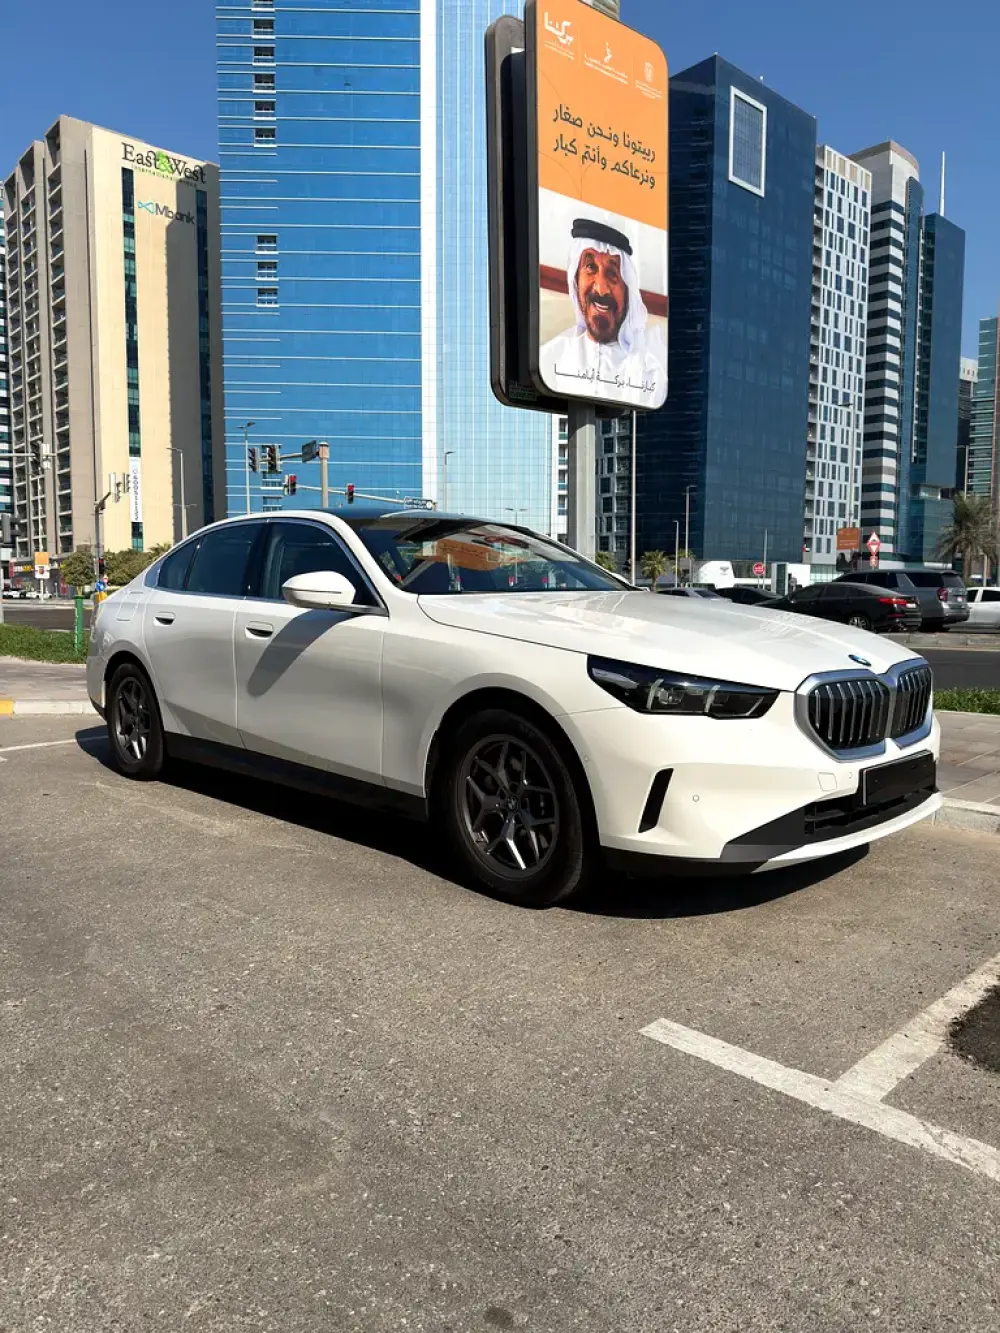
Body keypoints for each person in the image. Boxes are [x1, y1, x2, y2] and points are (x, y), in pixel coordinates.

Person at [538, 217, 666, 409]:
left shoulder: (653, 372)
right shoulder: (548, 360)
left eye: (613, 273)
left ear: (627, 290)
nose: (601, 289)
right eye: (591, 267)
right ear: (576, 280)